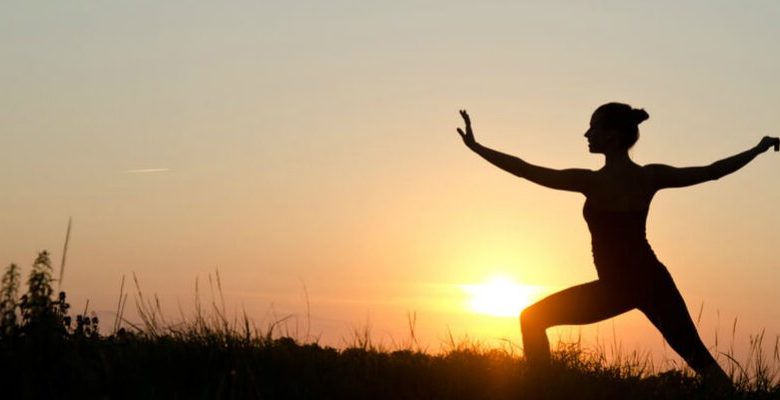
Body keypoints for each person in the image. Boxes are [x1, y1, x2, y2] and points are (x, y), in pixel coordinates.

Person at [456, 103, 779, 386]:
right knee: (700, 359)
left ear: (611, 136)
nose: (586, 134)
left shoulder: (590, 182)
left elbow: (526, 171)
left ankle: (541, 390)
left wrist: (477, 148)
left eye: (593, 127)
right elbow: (712, 173)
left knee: (531, 319)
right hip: (652, 281)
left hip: (618, 287)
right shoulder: (648, 176)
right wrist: (757, 149)